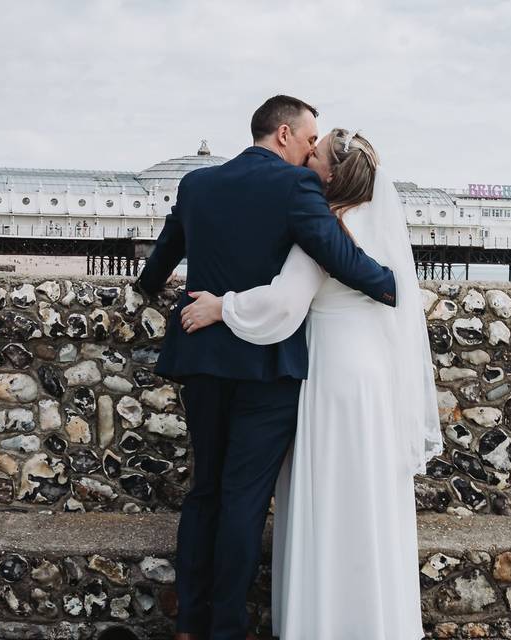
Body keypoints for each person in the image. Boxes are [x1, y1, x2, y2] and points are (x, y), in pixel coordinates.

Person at [135, 97, 397, 640]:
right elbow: (337, 257)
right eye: (307, 140)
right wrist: (393, 286)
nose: (309, 152)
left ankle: (189, 622)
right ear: (283, 133)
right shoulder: (294, 187)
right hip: (265, 365)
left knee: (204, 489)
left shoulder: (197, 183)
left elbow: (165, 253)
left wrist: (144, 289)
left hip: (201, 354)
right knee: (244, 498)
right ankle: (226, 626)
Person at [180, 129, 441, 640]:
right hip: (372, 376)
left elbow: (283, 303)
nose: (306, 158)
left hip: (334, 373)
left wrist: (221, 307)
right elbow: (387, 287)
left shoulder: (328, 227)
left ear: (330, 174)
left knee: (330, 501)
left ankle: (326, 621)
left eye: (315, 155)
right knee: (368, 501)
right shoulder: (374, 224)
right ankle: (376, 619)